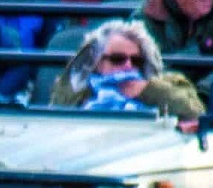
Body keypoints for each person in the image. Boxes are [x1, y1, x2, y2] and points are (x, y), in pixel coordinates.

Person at [49, 20, 203, 127]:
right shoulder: (78, 87)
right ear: (97, 62)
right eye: (118, 59)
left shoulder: (170, 83)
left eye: (136, 61)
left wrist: (150, 91)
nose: (128, 65)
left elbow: (195, 113)